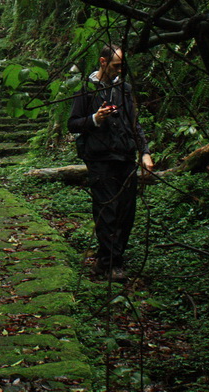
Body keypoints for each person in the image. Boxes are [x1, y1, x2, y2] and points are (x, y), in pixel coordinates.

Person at [68, 44, 153, 281]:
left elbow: (134, 123)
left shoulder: (124, 89)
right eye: (116, 65)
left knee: (126, 212)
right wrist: (94, 119)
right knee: (107, 211)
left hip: (124, 156)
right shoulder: (86, 90)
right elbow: (73, 123)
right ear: (103, 61)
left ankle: (107, 260)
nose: (120, 70)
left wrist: (144, 152)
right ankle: (112, 263)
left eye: (122, 65)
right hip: (100, 158)